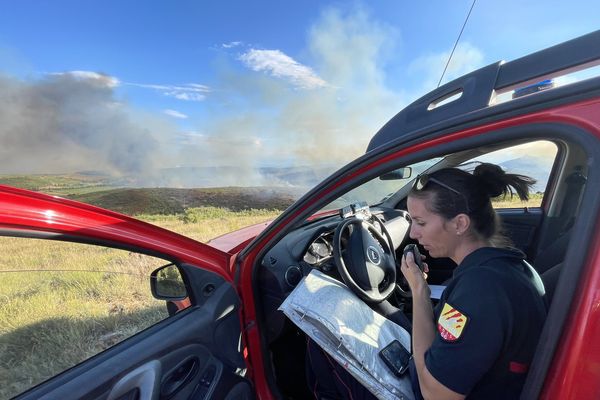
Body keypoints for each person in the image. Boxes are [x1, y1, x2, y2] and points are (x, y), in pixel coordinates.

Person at [306, 163, 547, 399]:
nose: (413, 233)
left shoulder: (480, 292)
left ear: (460, 224)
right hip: (455, 374)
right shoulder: (508, 267)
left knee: (320, 339)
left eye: (420, 222)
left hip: (430, 389)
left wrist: (420, 291)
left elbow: (436, 394)